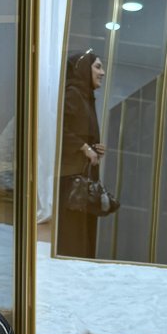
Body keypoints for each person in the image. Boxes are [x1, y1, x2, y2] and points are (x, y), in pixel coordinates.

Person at [56, 48, 106, 258]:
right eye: (98, 67)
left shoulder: (85, 96)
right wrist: (84, 147)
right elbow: (58, 129)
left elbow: (78, 131)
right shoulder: (73, 94)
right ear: (85, 69)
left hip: (82, 175)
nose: (102, 72)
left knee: (83, 227)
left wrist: (94, 147)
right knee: (73, 230)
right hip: (71, 178)